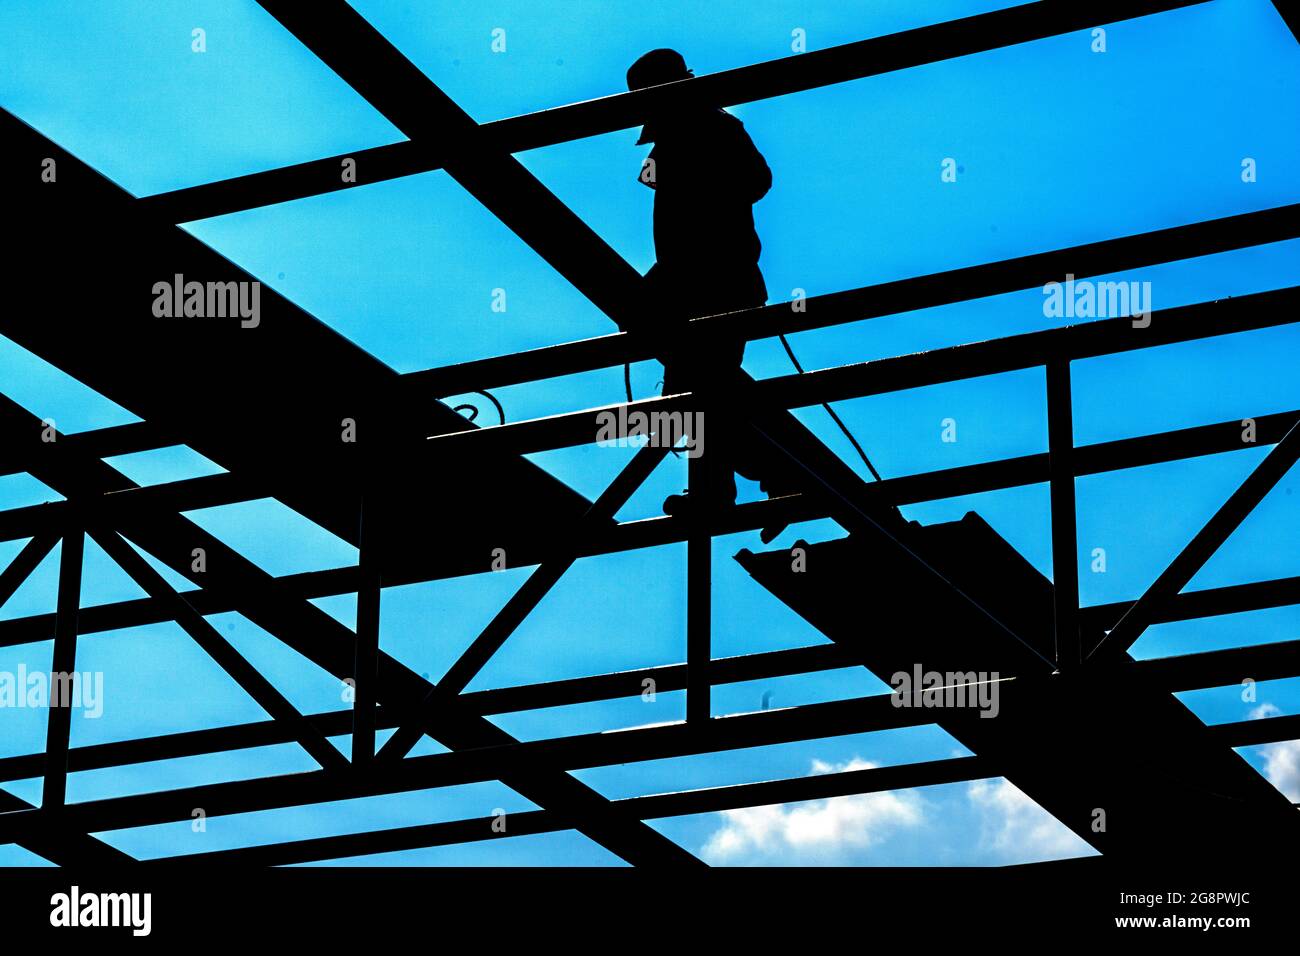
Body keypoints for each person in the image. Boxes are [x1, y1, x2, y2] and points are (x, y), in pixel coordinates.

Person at [628, 48, 799, 542]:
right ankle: (746, 481)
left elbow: (752, 183)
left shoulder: (709, 128)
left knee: (699, 391)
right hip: (700, 283)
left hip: (718, 284)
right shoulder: (691, 133)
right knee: (701, 391)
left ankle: (749, 481)